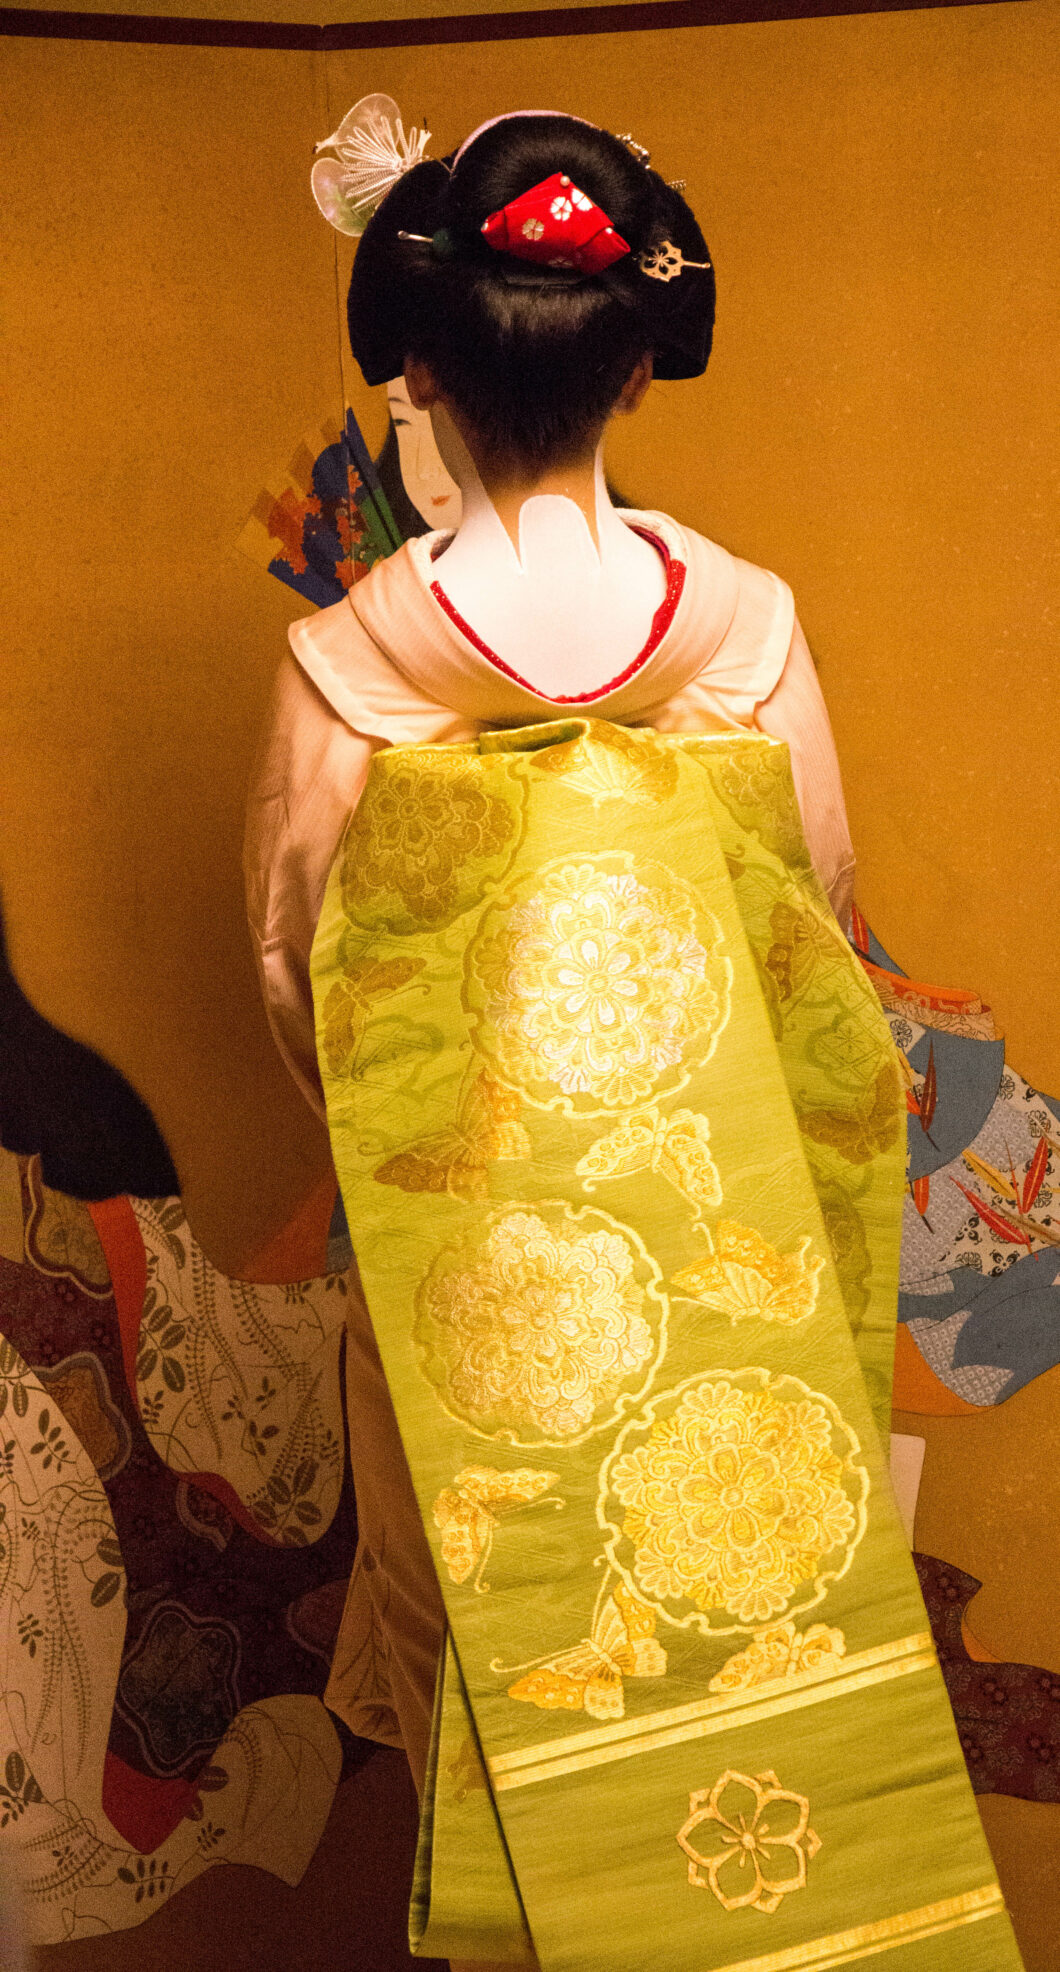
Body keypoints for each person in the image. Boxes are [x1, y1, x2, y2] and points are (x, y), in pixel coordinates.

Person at [243, 111, 1018, 1972]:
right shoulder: (746, 635)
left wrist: (459, 1149)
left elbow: (301, 980)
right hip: (726, 1259)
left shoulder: (351, 669)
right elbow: (817, 925)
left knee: (494, 1700)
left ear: (420, 366)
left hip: (471, 1298)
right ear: (632, 371)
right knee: (735, 1639)